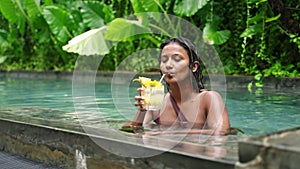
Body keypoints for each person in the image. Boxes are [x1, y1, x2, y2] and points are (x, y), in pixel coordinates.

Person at [122, 37, 231, 135]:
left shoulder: (209, 99)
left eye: (177, 59)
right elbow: (134, 132)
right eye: (164, 60)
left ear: (193, 66)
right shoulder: (157, 102)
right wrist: (142, 110)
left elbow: (221, 133)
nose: (168, 65)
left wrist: (167, 132)